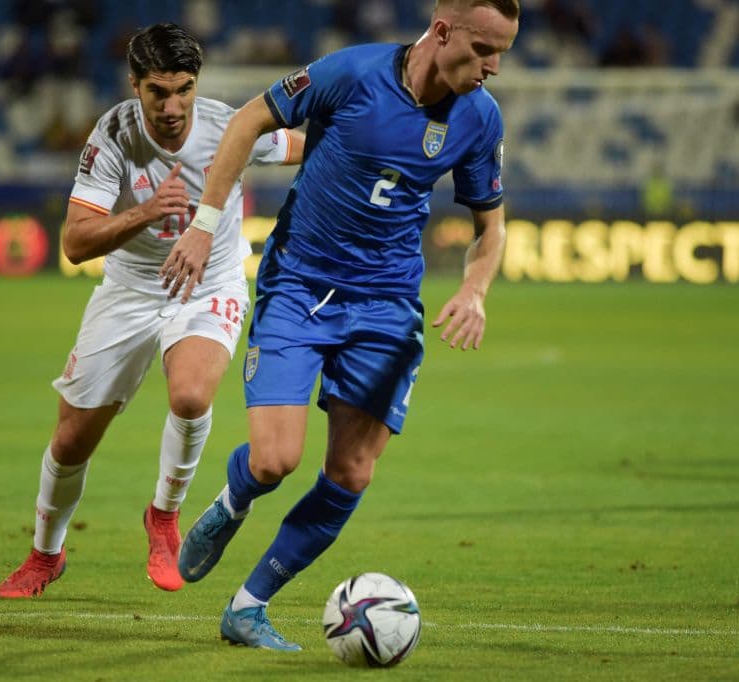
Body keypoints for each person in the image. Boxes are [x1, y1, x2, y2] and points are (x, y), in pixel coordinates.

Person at [160, 0, 519, 650]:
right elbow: (246, 122)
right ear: (442, 32)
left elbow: (490, 228)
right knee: (275, 460)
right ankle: (233, 502)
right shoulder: (350, 75)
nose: (493, 67)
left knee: (352, 472)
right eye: (483, 50)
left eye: (503, 53)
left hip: (386, 308)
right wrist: (205, 225)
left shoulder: (479, 118)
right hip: (300, 285)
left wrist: (475, 288)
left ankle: (248, 606)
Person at [0, 23, 304, 598]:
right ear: (135, 85)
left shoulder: (227, 127)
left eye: (183, 89)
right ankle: (45, 555)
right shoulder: (111, 135)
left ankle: (164, 515)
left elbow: (300, 145)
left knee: (191, 395)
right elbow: (76, 242)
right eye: (158, 91)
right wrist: (145, 212)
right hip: (131, 288)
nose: (172, 106)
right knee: (70, 442)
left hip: (209, 283)